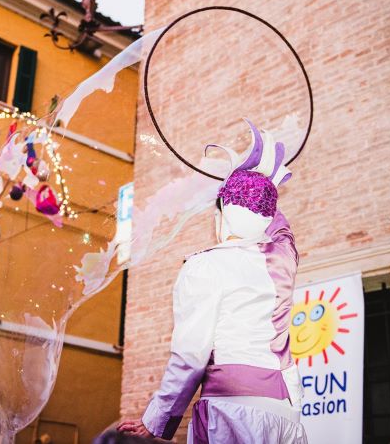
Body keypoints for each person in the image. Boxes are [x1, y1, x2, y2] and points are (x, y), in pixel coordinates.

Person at [118, 152, 307, 443]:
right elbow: (281, 229)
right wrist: (258, 184)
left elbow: (191, 356)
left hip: (231, 410)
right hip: (285, 413)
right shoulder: (285, 257)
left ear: (223, 216)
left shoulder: (204, 266)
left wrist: (157, 419)